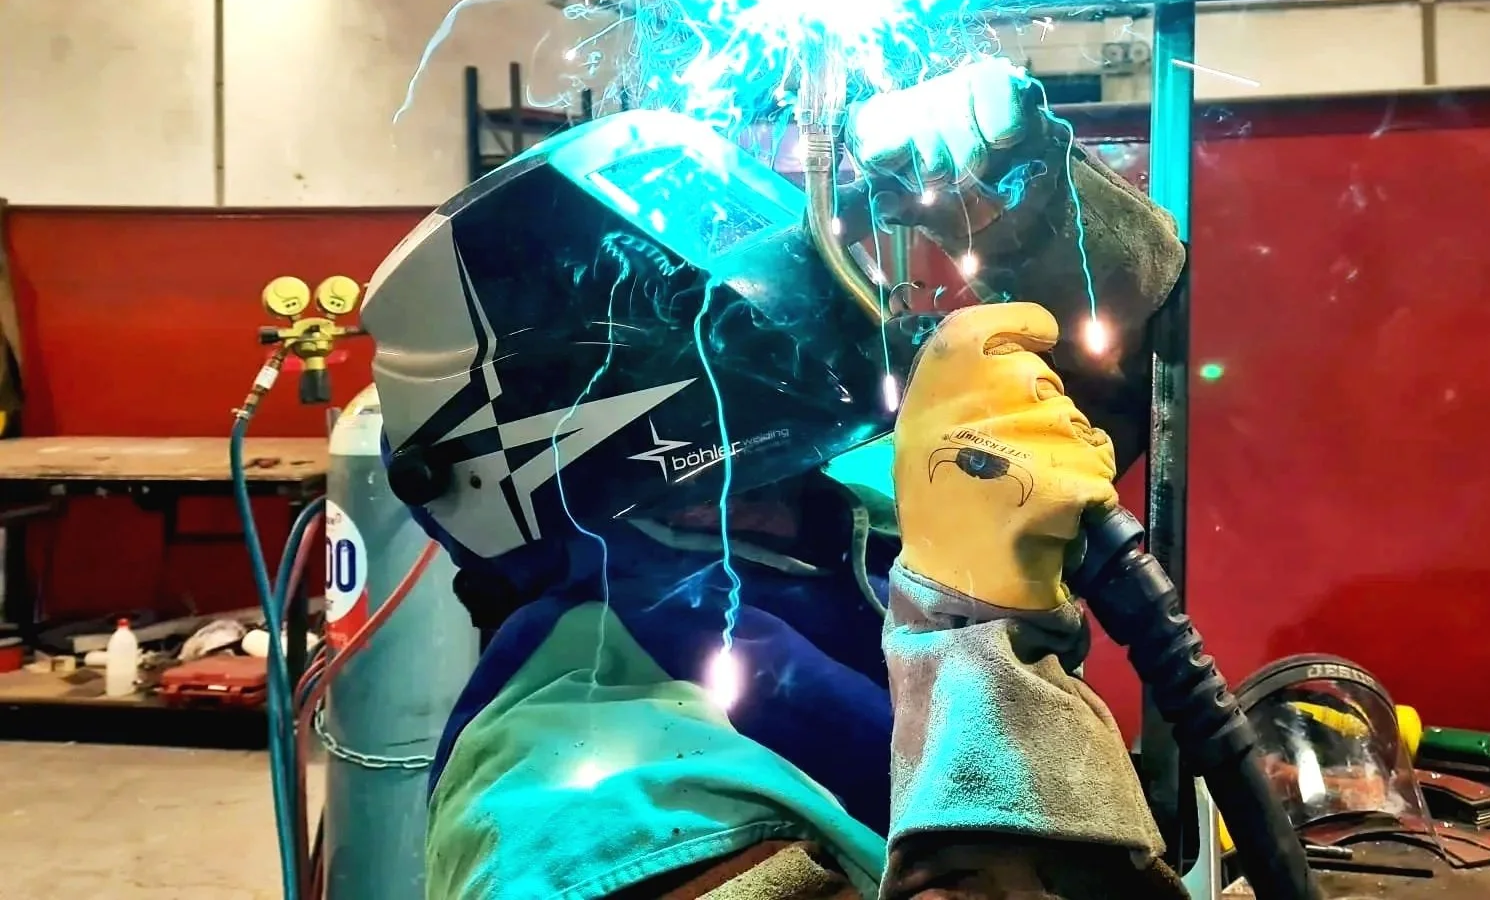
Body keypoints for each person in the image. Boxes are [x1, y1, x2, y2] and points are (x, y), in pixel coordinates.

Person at [361, 60, 1187, 900]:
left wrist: (1025, 200)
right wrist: (976, 632)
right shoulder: (566, 789)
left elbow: (1103, 371)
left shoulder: (839, 521)